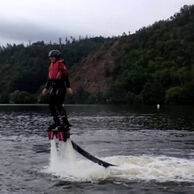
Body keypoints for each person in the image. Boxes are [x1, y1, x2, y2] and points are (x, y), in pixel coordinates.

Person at [42, 49, 73, 133]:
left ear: (56, 57)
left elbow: (66, 76)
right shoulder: (51, 65)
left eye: (52, 57)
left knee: (59, 105)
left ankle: (65, 123)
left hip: (61, 87)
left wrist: (68, 87)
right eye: (50, 57)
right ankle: (57, 122)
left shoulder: (61, 64)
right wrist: (46, 88)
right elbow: (49, 78)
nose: (50, 59)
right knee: (51, 106)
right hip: (53, 87)